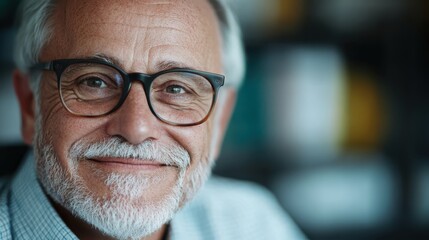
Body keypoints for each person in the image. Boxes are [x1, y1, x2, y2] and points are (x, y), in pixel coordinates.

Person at [0, 0, 306, 239]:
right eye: (94, 82)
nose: (136, 129)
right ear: (30, 104)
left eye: (177, 88)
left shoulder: (252, 223)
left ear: (221, 120)